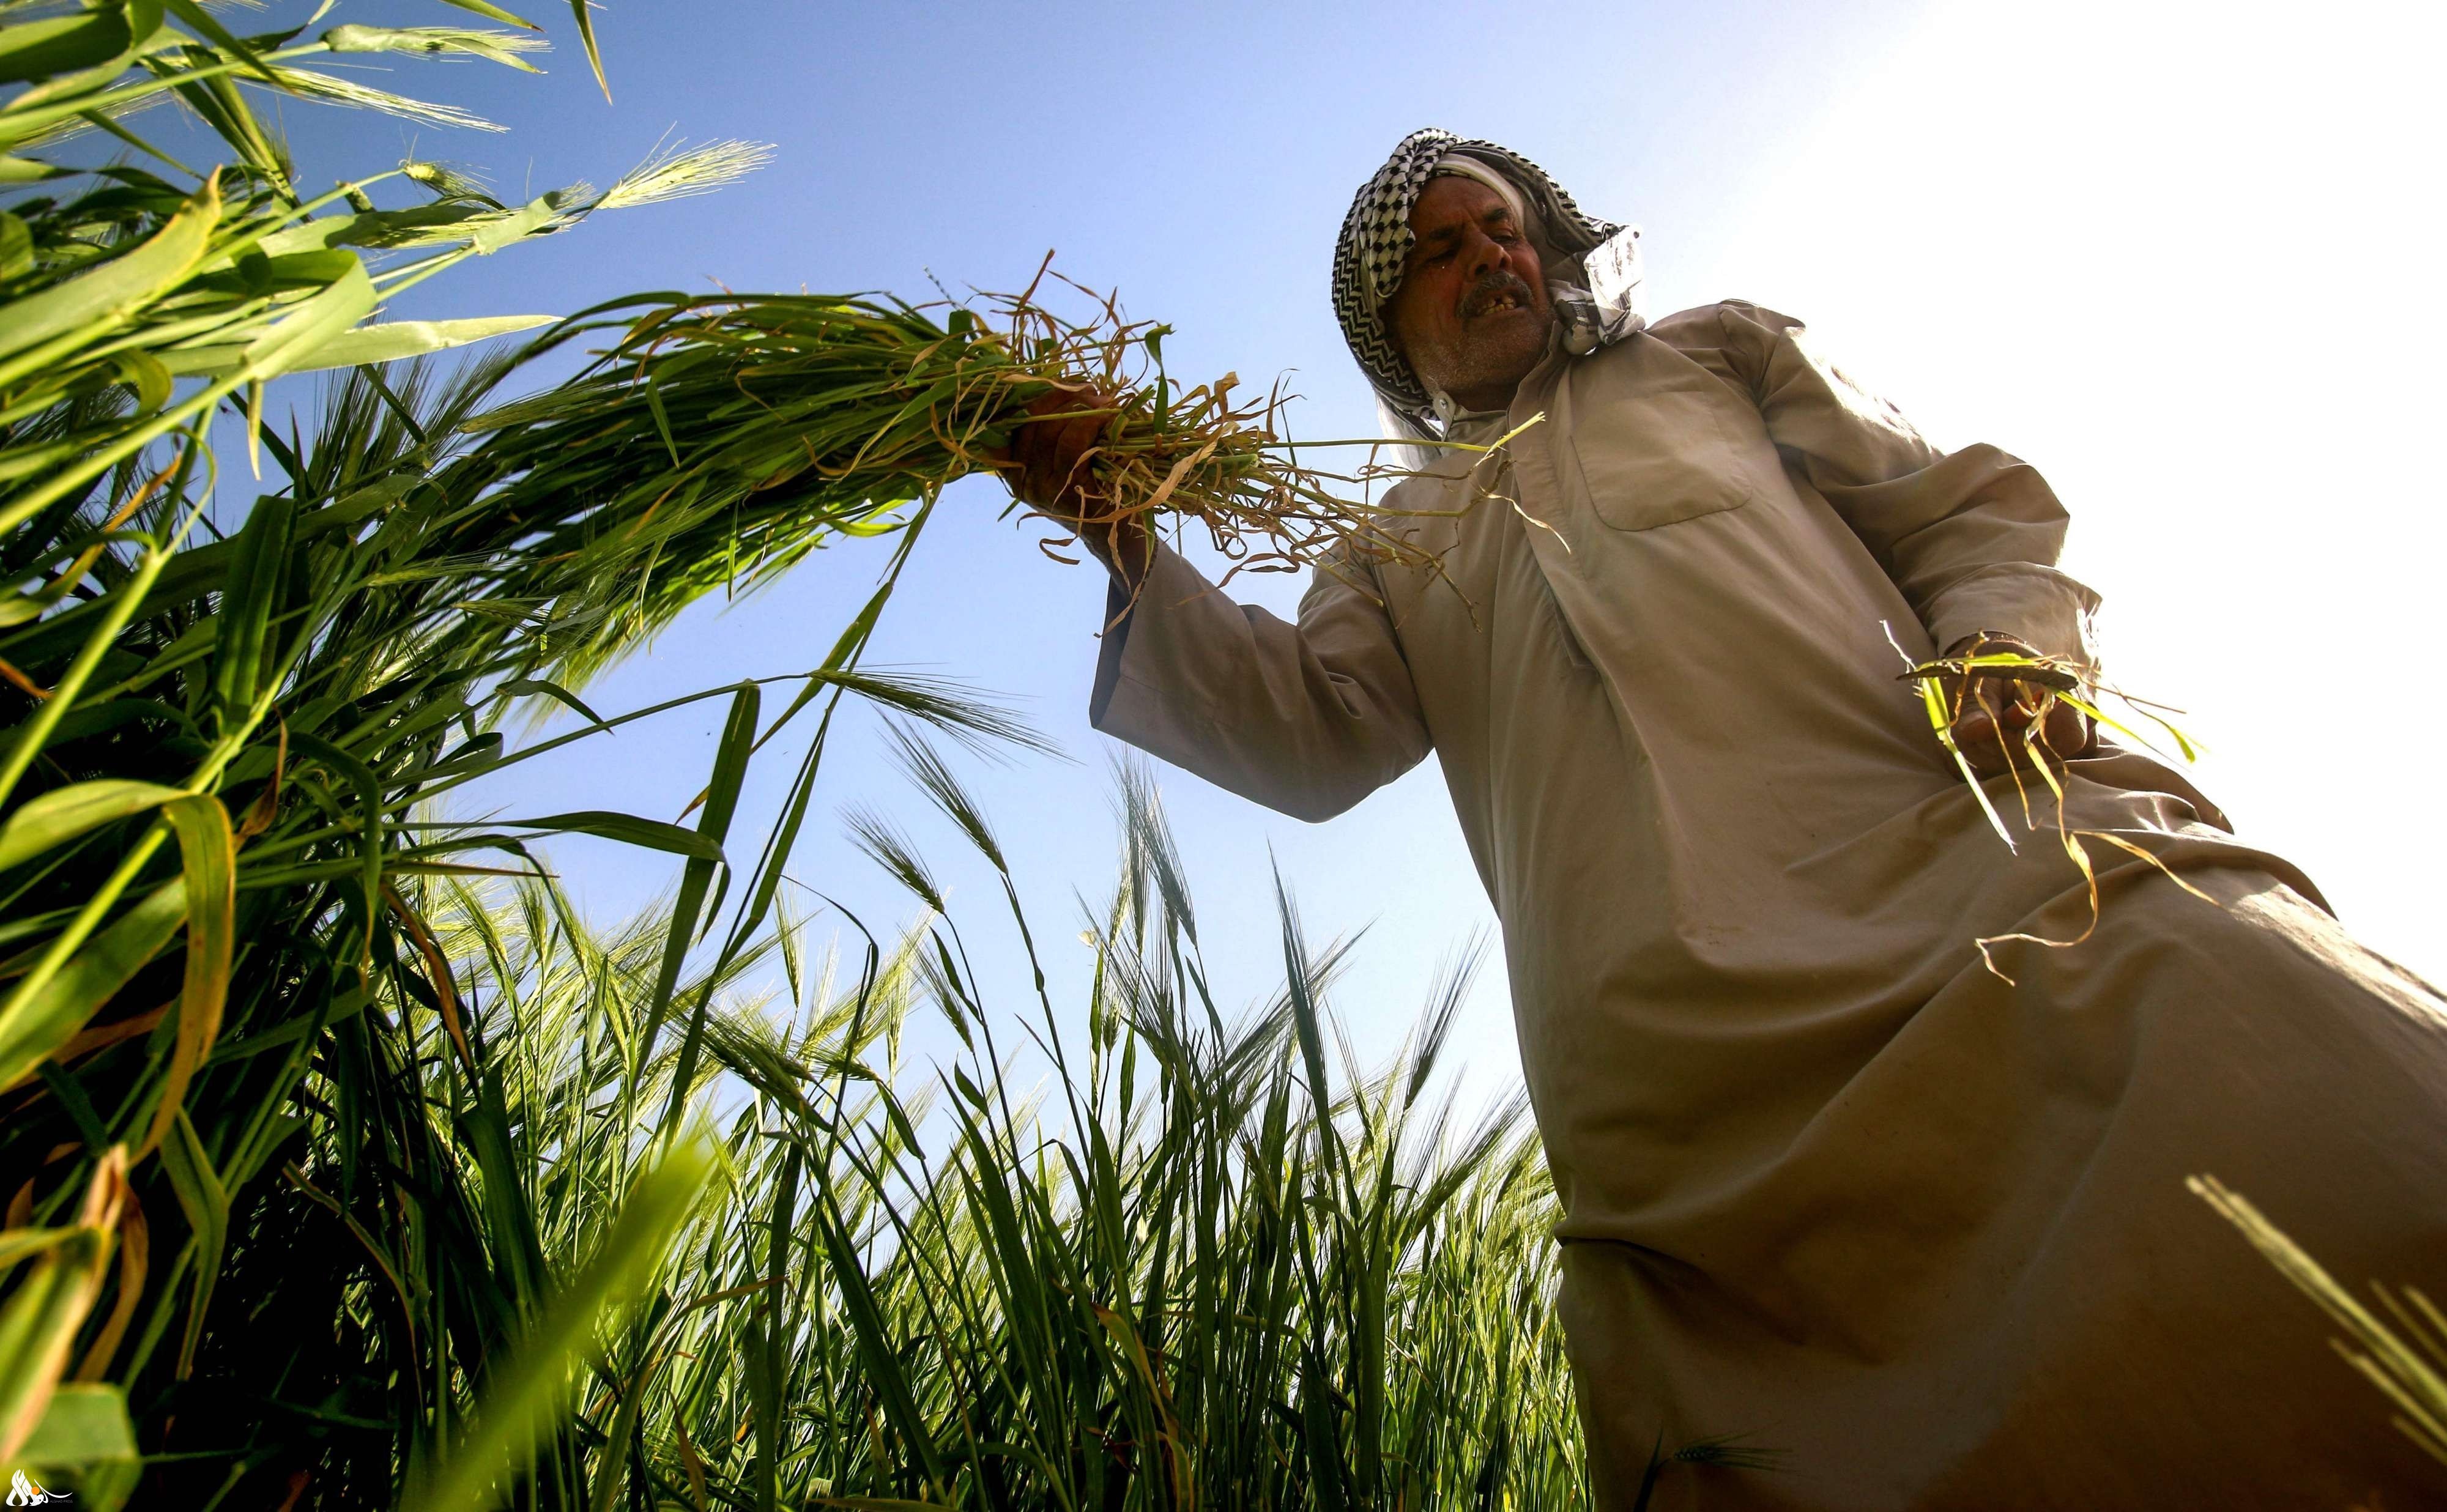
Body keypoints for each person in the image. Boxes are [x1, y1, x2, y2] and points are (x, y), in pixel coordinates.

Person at [1001, 128, 2447, 1510]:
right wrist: (1117, 529)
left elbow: (1959, 514)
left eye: (1505, 227)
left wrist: (2011, 649)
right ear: (1390, 322)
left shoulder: (1715, 353)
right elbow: (1313, 738)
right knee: (1788, 1432)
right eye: (1441, 251)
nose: (1490, 257)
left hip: (1964, 865)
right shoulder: (1386, 537)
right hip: (1670, 1057)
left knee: (2281, 1050)